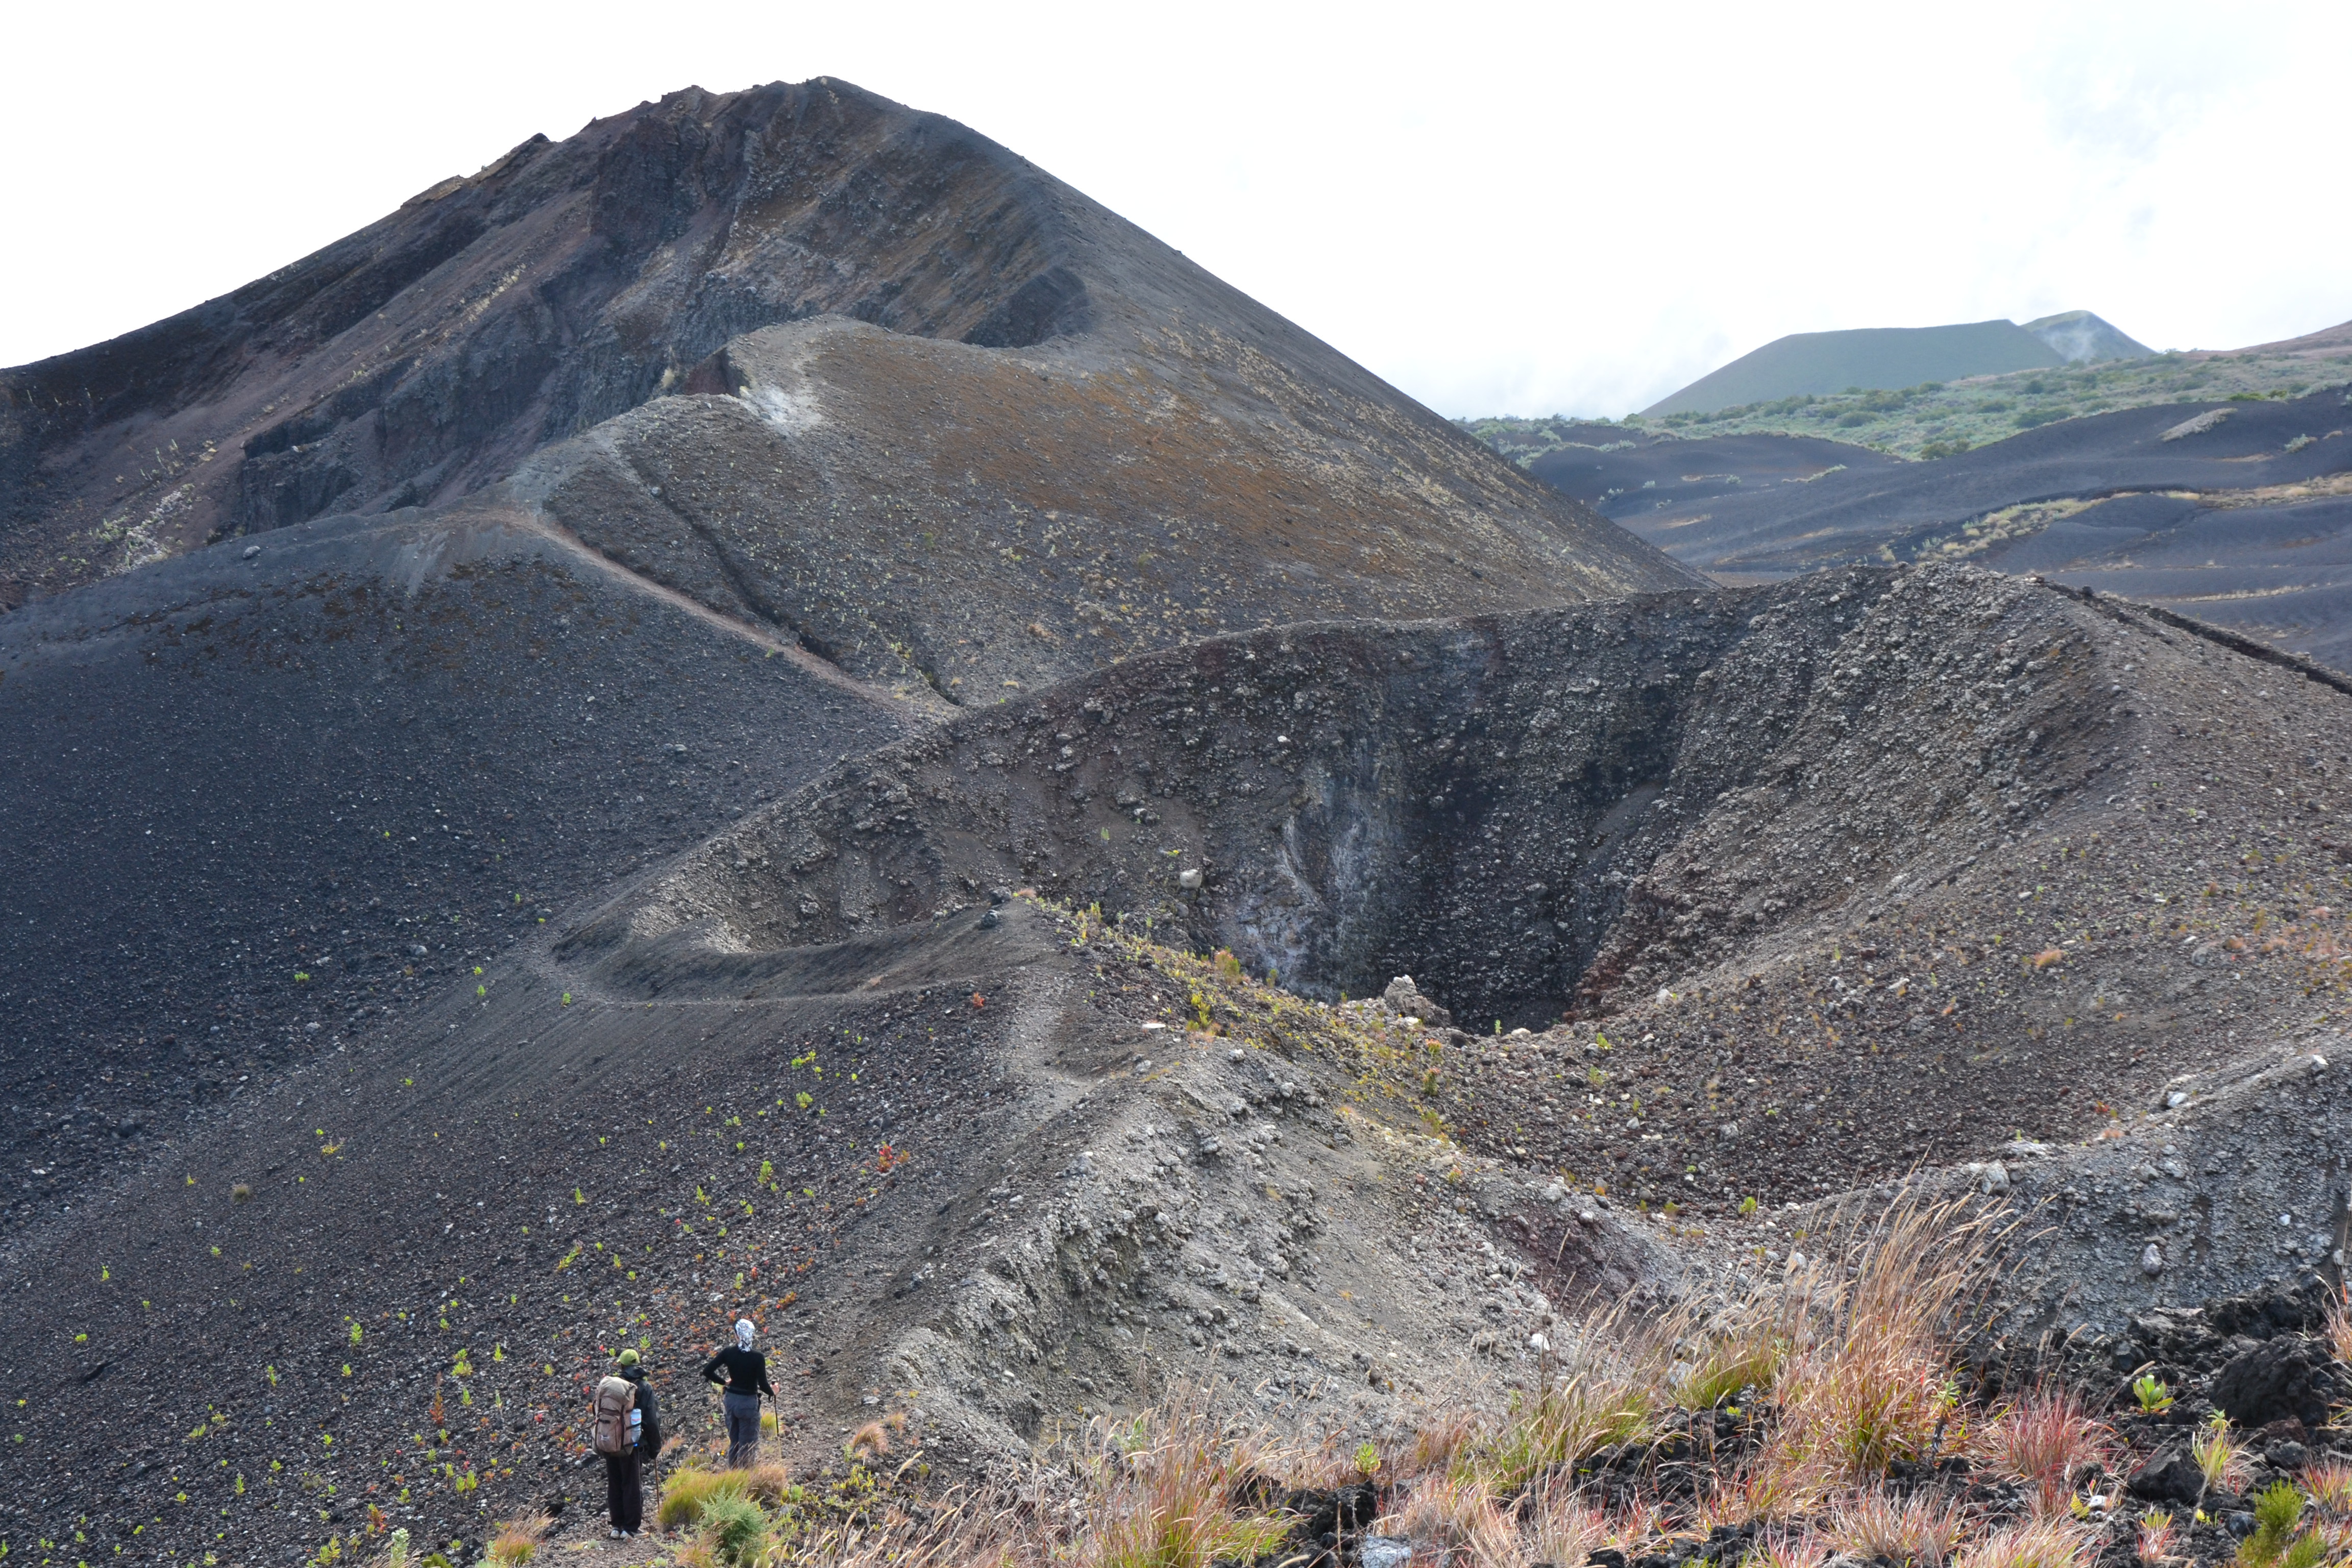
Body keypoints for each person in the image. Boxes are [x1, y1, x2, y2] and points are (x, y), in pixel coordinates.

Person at [700, 1318, 775, 1467]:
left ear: (737, 1335)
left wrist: (724, 1382)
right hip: (748, 1403)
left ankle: (733, 1477)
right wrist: (773, 1392)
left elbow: (707, 1371)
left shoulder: (728, 1353)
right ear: (752, 1334)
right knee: (748, 1444)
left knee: (735, 1441)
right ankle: (745, 1479)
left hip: (731, 1401)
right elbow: (763, 1385)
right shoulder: (758, 1357)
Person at [604, 1349, 661, 1539]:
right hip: (631, 1442)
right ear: (638, 1364)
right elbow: (651, 1421)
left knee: (615, 1482)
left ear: (621, 1365)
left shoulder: (611, 1386)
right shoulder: (644, 1387)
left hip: (610, 1441)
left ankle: (616, 1526)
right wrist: (655, 1447)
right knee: (631, 1483)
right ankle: (631, 1529)